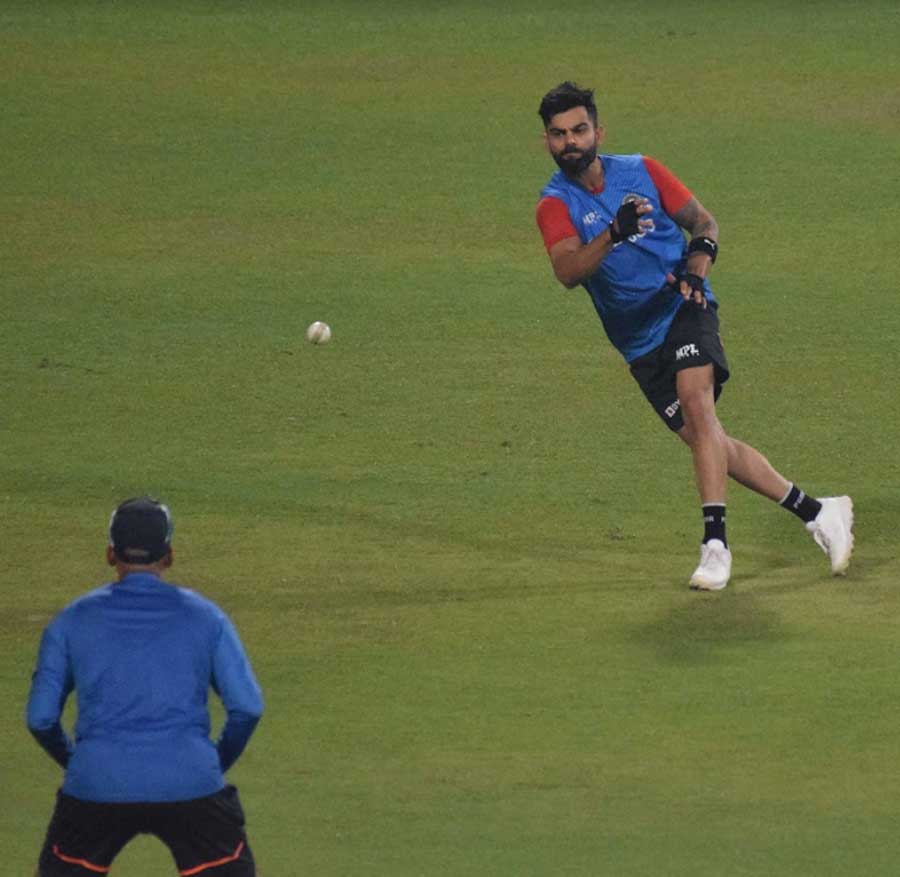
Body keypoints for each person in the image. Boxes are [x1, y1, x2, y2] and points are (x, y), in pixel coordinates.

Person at [534, 81, 854, 591]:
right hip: (638, 343)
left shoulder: (642, 170)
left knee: (698, 406)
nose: (570, 141)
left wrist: (697, 271)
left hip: (684, 305)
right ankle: (819, 512)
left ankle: (716, 546)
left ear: (598, 130)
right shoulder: (554, 204)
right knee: (709, 442)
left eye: (579, 129)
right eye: (558, 134)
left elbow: (703, 223)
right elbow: (568, 271)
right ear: (547, 142)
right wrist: (612, 233)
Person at [27, 496, 264, 875]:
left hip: (95, 783)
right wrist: (210, 763)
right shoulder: (207, 618)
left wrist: (77, 762)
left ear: (109, 553)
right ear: (168, 556)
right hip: (192, 782)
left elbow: (40, 718)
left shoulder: (70, 621)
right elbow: (248, 707)